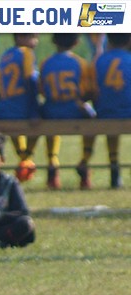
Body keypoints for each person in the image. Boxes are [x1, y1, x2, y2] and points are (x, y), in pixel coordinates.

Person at [39, 34, 97, 189]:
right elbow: (87, 91)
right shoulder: (80, 63)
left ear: (53, 41)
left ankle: (52, 161)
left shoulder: (46, 63)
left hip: (51, 110)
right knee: (93, 119)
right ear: (77, 42)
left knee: (45, 116)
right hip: (73, 110)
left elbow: (42, 90)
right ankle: (84, 161)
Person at [0, 33, 42, 182]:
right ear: (20, 38)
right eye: (33, 36)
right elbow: (31, 82)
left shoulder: (5, 55)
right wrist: (34, 111)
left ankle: (24, 158)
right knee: (45, 118)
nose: (36, 41)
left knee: (14, 124)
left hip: (4, 109)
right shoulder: (26, 53)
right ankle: (27, 159)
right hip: (20, 107)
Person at [94, 33, 131, 188]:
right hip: (128, 112)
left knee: (111, 127)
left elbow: (94, 90)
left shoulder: (100, 60)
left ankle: (114, 165)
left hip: (105, 112)